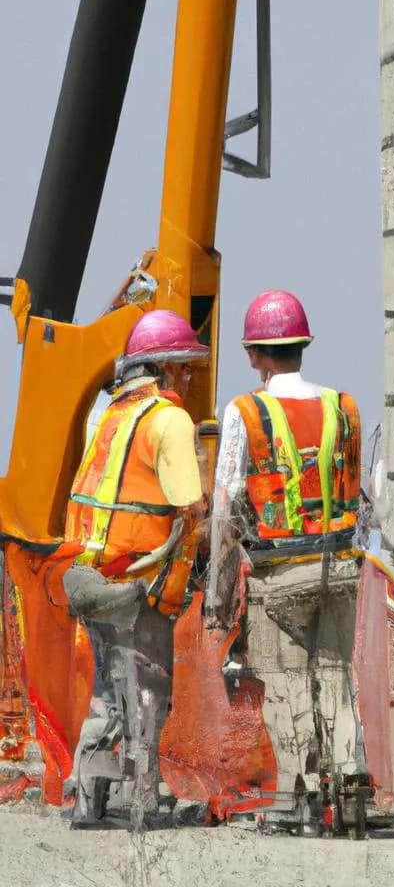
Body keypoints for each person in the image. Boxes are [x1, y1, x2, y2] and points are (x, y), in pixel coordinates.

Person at [204, 289, 362, 820]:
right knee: (337, 678)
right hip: (340, 567)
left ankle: (295, 798)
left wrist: (217, 593)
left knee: (284, 684)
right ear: (303, 345)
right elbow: (355, 489)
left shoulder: (245, 411)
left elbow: (225, 504)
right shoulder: (343, 407)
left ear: (255, 355)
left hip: (278, 575)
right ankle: (350, 790)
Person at [61, 309, 208, 829]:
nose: (189, 378)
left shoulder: (111, 416)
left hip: (92, 578)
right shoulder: (169, 420)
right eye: (183, 367)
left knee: (107, 693)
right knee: (147, 694)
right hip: (138, 587)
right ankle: (143, 803)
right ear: (161, 369)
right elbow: (190, 507)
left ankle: (87, 799)